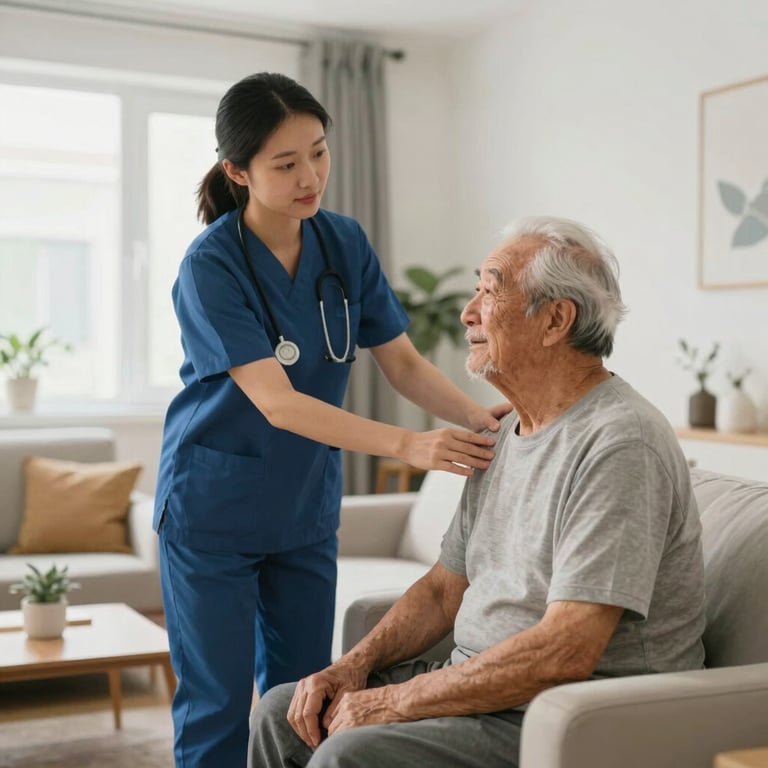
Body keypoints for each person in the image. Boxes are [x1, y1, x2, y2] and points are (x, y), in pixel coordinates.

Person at [249, 216, 707, 768]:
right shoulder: (508, 431)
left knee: (349, 754)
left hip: (567, 711)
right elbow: (446, 589)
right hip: (481, 690)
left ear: (556, 320)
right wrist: (352, 666)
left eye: (490, 291)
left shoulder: (620, 443)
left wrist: (392, 702)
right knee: (281, 713)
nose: (469, 312)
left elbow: (567, 649)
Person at [153, 72, 508, 767]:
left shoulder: (342, 243)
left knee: (302, 699)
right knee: (217, 709)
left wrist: (480, 419)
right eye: (285, 164)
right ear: (237, 171)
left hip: (301, 508)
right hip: (212, 507)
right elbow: (277, 401)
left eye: (318, 152)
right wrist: (409, 443)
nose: (310, 176)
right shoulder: (211, 267)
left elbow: (400, 363)